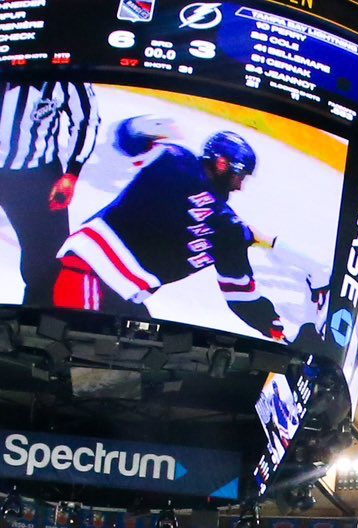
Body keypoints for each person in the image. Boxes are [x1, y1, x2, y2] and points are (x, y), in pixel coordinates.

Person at [55, 127, 301, 341]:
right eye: (239, 176)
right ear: (221, 164)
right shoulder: (177, 162)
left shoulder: (226, 225)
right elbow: (129, 139)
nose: (239, 186)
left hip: (119, 294)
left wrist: (275, 329)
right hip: (85, 271)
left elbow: (240, 293)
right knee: (82, 354)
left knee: (143, 354)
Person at [0, 80, 99, 307]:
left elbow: (86, 119)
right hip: (31, 174)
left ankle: (34, 326)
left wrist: (72, 172)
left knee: (47, 265)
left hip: (35, 176)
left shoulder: (65, 75)